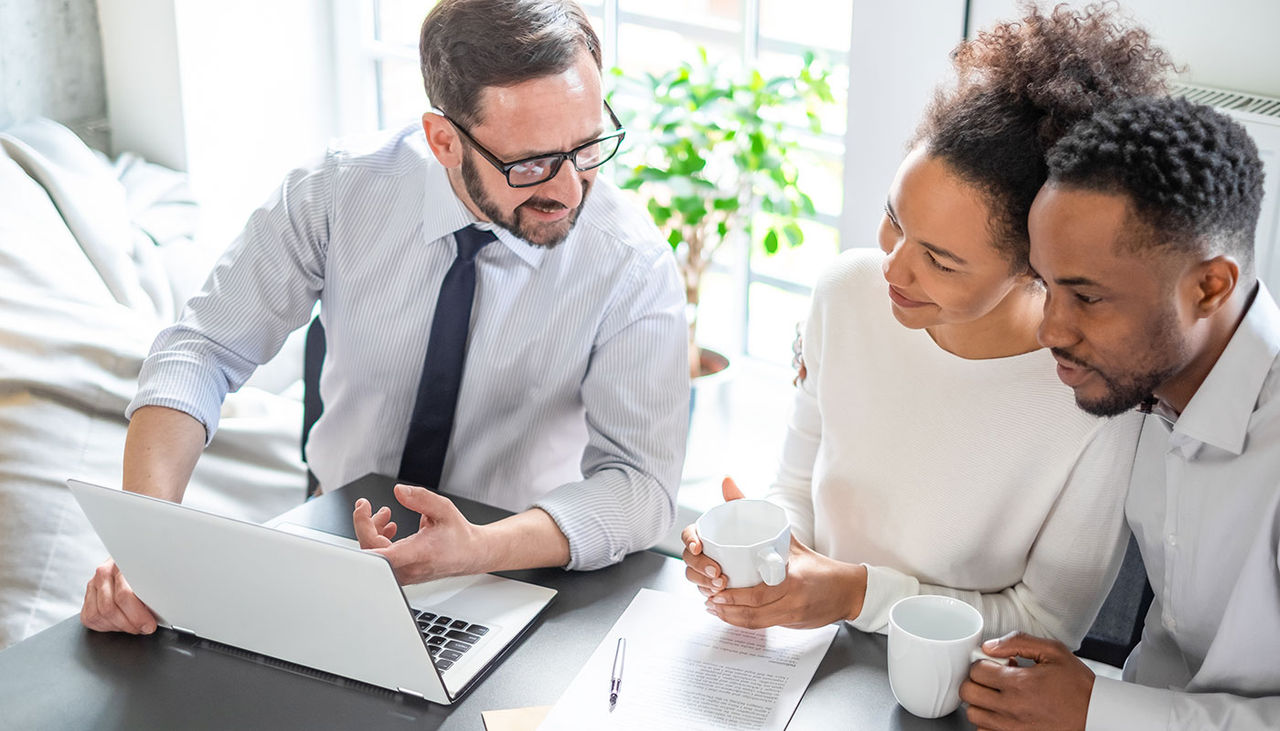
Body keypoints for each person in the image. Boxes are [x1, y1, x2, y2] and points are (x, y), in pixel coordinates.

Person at [79, 0, 688, 635]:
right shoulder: (338, 191)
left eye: (588, 146)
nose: (567, 190)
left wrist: (481, 547)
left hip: (522, 567)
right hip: (335, 541)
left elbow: (640, 485)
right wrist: (144, 544)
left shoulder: (631, 263)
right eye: (530, 163)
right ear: (444, 140)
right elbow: (203, 351)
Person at [682, 4, 1173, 644]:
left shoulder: (1093, 395)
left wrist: (856, 594)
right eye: (895, 219)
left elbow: (1048, 626)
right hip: (813, 658)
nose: (893, 269)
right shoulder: (846, 293)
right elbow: (795, 488)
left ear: (1037, 267)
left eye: (939, 260)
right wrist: (756, 551)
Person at [960, 96, 1280, 730]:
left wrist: (1096, 711)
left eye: (1087, 296)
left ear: (1209, 287)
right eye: (1047, 286)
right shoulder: (1151, 382)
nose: (1052, 328)